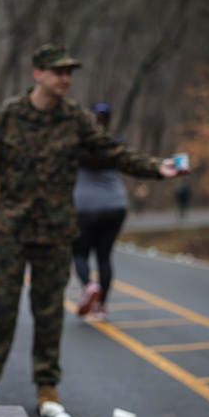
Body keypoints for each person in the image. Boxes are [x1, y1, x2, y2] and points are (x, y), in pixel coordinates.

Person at [0, 43, 187, 409]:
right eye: (58, 72)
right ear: (38, 74)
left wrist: (156, 167)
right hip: (11, 231)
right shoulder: (9, 115)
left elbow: (111, 151)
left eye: (70, 72)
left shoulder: (74, 118)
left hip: (54, 232)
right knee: (2, 307)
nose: (66, 78)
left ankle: (47, 385)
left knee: (49, 311)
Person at [72, 102, 129, 322]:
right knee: (104, 257)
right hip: (115, 205)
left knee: (79, 253)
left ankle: (89, 285)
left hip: (85, 207)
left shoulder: (78, 143)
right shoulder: (117, 143)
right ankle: (101, 306)